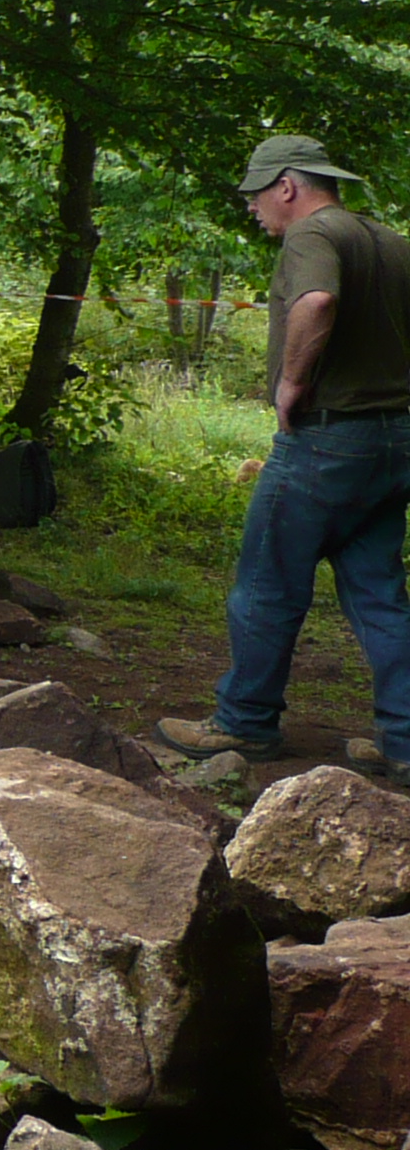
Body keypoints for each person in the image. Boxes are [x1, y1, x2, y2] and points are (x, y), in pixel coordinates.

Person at [157, 136, 410, 775]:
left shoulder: (312, 235)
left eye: (255, 195)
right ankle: (405, 742)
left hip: (326, 440)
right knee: (380, 595)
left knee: (267, 586)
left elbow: (317, 300)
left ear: (287, 186)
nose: (252, 208)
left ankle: (244, 724)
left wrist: (291, 382)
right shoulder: (391, 242)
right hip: (394, 443)